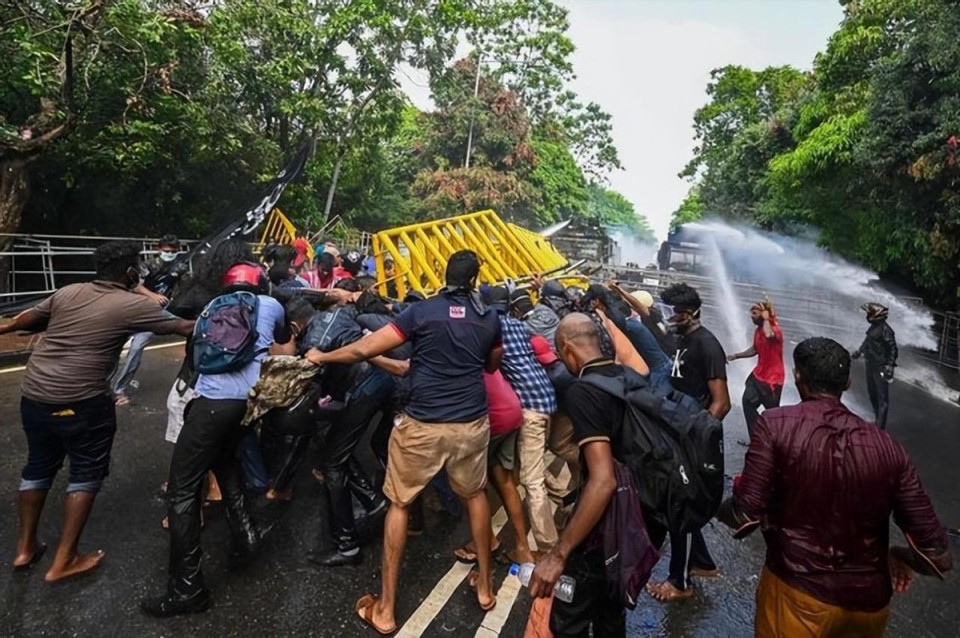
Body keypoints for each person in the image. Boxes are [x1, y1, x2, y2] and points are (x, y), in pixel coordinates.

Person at [304, 250, 502, 634]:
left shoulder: (422, 312)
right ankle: (486, 588)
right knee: (475, 496)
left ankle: (387, 610)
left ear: (446, 276)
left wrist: (322, 355)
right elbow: (491, 365)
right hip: (471, 423)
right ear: (475, 280)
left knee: (399, 503)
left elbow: (364, 349)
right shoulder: (489, 318)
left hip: (423, 423)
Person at [719, 337, 952, 637]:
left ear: (799, 376)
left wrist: (710, 504)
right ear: (848, 382)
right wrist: (900, 555)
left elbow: (744, 514)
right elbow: (938, 555)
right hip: (868, 605)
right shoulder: (888, 447)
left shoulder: (775, 425)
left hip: (797, 593)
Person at [0, 241, 193, 581]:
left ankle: (25, 549)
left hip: (35, 394)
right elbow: (184, 327)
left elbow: (26, 320)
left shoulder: (67, 292)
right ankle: (64, 560)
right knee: (85, 473)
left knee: (38, 467)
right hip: (82, 400)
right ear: (130, 272)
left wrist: (6, 327)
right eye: (138, 267)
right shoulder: (132, 305)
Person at [141, 261, 290, 617]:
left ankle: (186, 589)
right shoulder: (271, 305)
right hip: (246, 406)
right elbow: (283, 339)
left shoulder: (210, 307)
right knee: (226, 464)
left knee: (182, 491)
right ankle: (247, 536)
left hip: (209, 405)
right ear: (260, 284)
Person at [528, 313, 623, 637]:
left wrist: (559, 554)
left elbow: (603, 479)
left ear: (566, 347)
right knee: (611, 613)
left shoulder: (582, 390)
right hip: (631, 523)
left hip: (601, 526)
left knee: (570, 619)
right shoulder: (625, 375)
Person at [648, 282, 730, 601]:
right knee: (681, 503)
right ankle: (703, 562)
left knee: (679, 505)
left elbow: (721, 403)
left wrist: (696, 439)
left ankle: (680, 583)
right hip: (678, 427)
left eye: (671, 311)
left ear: (685, 314)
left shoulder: (707, 345)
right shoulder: (684, 339)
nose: (667, 316)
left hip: (690, 435)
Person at [483, 286, 559, 552]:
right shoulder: (518, 325)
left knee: (531, 479)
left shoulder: (491, 327)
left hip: (529, 407)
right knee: (533, 464)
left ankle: (547, 548)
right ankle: (568, 500)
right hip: (546, 397)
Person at [111, 234, 185, 405]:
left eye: (173, 251)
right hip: (134, 309)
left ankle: (119, 388)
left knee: (136, 350)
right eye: (166, 251)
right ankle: (103, 385)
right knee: (113, 347)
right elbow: (134, 285)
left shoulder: (180, 267)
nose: (169, 254)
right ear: (159, 249)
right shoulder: (148, 265)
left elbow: (183, 290)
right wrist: (153, 296)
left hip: (155, 313)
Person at [727, 299, 785, 438]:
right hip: (758, 374)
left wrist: (766, 319)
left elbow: (769, 335)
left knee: (772, 415)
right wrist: (736, 356)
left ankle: (774, 441)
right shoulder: (758, 330)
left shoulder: (775, 330)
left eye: (755, 313)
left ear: (764, 314)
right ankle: (756, 437)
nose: (751, 316)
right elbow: (755, 349)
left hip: (772, 380)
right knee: (747, 402)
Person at [851, 303, 898, 429]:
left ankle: (880, 427)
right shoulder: (873, 328)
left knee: (882, 398)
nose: (867, 315)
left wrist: (889, 365)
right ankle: (878, 419)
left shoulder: (886, 330)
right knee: (872, 393)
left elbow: (893, 348)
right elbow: (867, 342)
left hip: (880, 366)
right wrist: (858, 352)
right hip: (870, 364)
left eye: (869, 313)